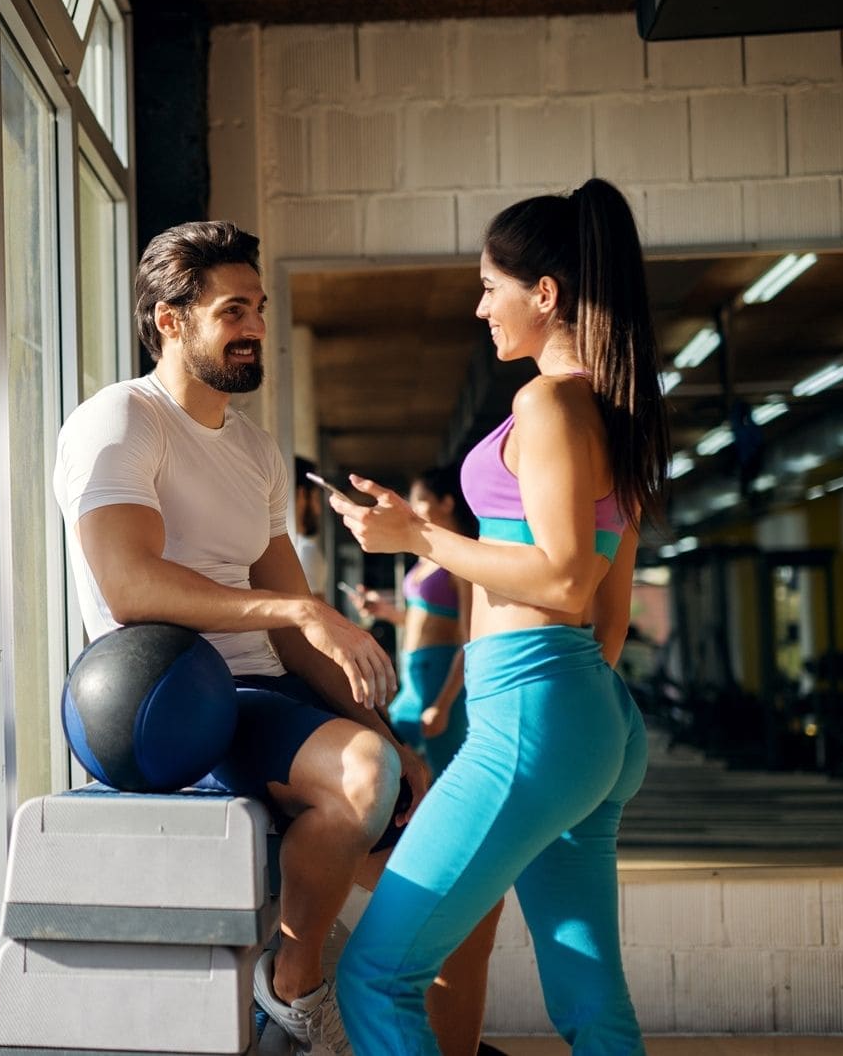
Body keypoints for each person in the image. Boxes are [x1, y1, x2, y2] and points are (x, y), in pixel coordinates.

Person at [54, 220, 435, 1056]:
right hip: (184, 702)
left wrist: (389, 733)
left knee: (446, 843)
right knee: (362, 781)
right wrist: (298, 612)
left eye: (258, 308)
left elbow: (300, 639)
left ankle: (438, 1037)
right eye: (233, 310)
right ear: (171, 320)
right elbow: (129, 586)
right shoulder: (122, 420)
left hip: (272, 693)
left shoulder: (257, 451)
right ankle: (293, 998)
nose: (256, 326)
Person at [329, 178, 667, 1056]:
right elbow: (609, 614)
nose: (481, 307)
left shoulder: (550, 402)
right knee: (591, 1005)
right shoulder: (616, 412)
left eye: (490, 286)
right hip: (590, 718)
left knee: (376, 974)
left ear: (543, 294)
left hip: (533, 716)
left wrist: (421, 537)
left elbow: (562, 582)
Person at [354, 467, 475, 778]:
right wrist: (385, 611)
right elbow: (425, 619)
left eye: (420, 500)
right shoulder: (425, 556)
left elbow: (469, 637)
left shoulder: (462, 557)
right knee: (390, 749)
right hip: (412, 672)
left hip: (441, 675)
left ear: (446, 503)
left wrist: (444, 703)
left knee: (445, 771)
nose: (411, 506)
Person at [292, 455, 330, 595]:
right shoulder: (305, 552)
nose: (319, 510)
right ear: (302, 495)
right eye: (316, 498)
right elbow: (316, 616)